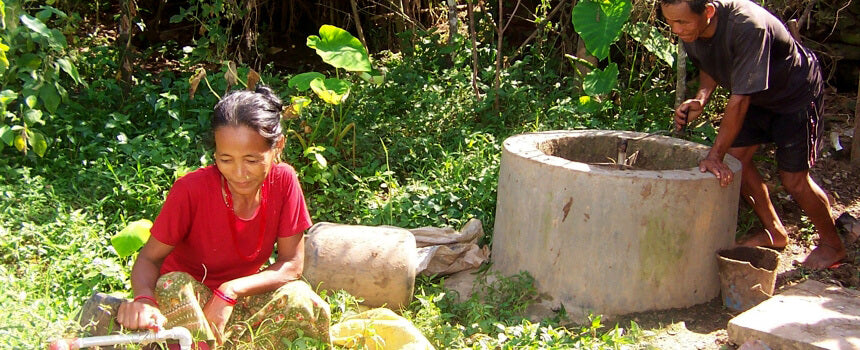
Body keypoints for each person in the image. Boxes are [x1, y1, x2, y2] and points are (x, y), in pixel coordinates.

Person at [84, 86, 331, 348]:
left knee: (302, 299)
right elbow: (148, 258)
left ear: (277, 146)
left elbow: (291, 264)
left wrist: (229, 291)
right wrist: (144, 300)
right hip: (184, 305)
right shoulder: (191, 190)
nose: (239, 173)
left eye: (251, 160)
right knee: (172, 285)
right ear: (215, 153)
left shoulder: (284, 181)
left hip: (237, 299)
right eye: (226, 159)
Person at [660, 0, 847, 269]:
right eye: (671, 23)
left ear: (709, 12)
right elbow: (709, 62)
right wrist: (701, 98)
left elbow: (740, 101)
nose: (676, 29)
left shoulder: (748, 26)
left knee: (794, 180)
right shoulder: (692, 28)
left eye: (682, 23)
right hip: (756, 95)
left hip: (794, 94)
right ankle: (774, 232)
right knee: (738, 162)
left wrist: (714, 156)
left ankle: (832, 245)